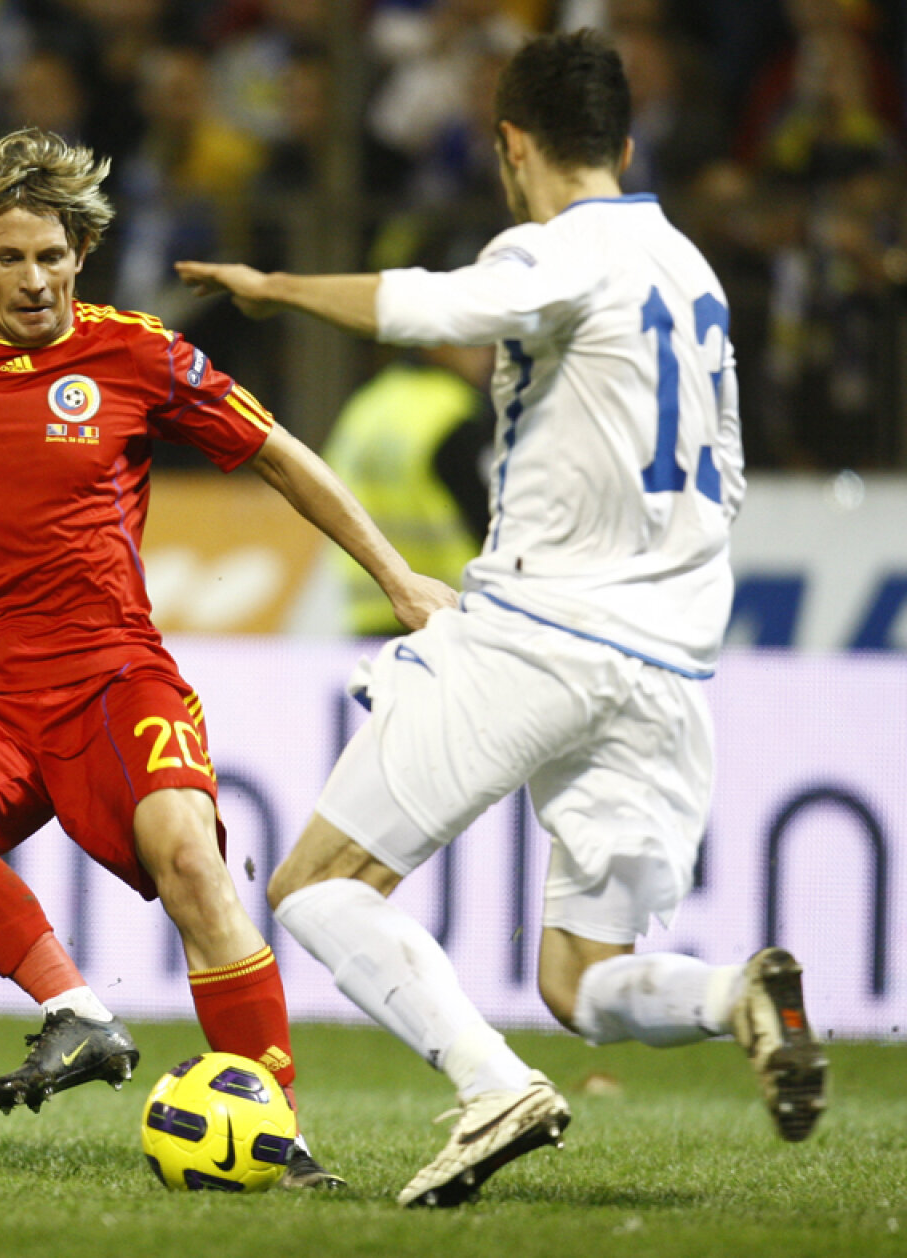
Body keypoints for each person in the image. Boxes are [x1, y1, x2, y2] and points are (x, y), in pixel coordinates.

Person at [177, 28, 828, 1208]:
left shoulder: (561, 250)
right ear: (626, 147)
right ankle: (736, 991)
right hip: (670, 669)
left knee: (318, 889)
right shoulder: (696, 273)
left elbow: (436, 306)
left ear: (510, 145)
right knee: (584, 980)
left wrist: (276, 289)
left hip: (543, 631)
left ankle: (492, 1087)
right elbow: (725, 475)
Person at [0, 127, 452, 1189]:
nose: (36, 280)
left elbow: (281, 456)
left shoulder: (139, 355)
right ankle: (76, 1010)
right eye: (11, 258)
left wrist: (398, 578)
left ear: (83, 253)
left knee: (194, 862)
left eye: (54, 256)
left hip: (113, 677)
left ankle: (277, 1133)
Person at [322, 341, 494, 637]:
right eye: (473, 343)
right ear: (434, 342)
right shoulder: (454, 413)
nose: (487, 355)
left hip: (368, 614)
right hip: (443, 613)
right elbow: (491, 527)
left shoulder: (367, 406)